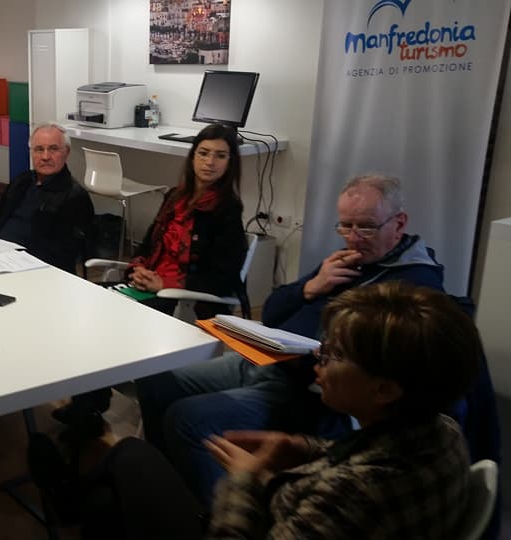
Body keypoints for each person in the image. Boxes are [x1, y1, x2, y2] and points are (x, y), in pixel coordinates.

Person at [29, 282, 478, 539]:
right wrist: (304, 447)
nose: (319, 361)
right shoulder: (443, 432)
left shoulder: (352, 496)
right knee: (107, 501)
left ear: (385, 390)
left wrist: (244, 480)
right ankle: (77, 503)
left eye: (335, 355)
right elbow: (366, 457)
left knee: (130, 455)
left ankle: (71, 500)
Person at [137, 173, 444, 504]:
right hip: (266, 362)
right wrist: (311, 287)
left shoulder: (413, 287)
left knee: (187, 417)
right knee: (154, 379)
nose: (353, 238)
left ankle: (211, 513)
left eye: (366, 227)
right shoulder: (345, 262)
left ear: (399, 224)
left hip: (306, 390)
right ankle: (168, 485)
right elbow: (271, 311)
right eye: (345, 226)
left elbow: (368, 371)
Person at [54, 123, 247, 438]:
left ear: (230, 163)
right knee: (85, 309)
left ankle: (91, 406)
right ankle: (90, 402)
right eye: (203, 153)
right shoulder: (176, 197)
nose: (210, 162)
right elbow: (147, 245)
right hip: (149, 285)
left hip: (181, 296)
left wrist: (165, 283)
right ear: (193, 156)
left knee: (108, 322)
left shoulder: (226, 211)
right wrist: (138, 269)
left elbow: (223, 277)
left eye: (220, 156)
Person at [0, 123, 94, 273]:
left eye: (53, 149)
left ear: (66, 152)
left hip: (35, 269)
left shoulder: (75, 197)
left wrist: (14, 255)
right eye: (39, 149)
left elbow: (63, 254)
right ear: (31, 153)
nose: (45, 156)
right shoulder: (22, 181)